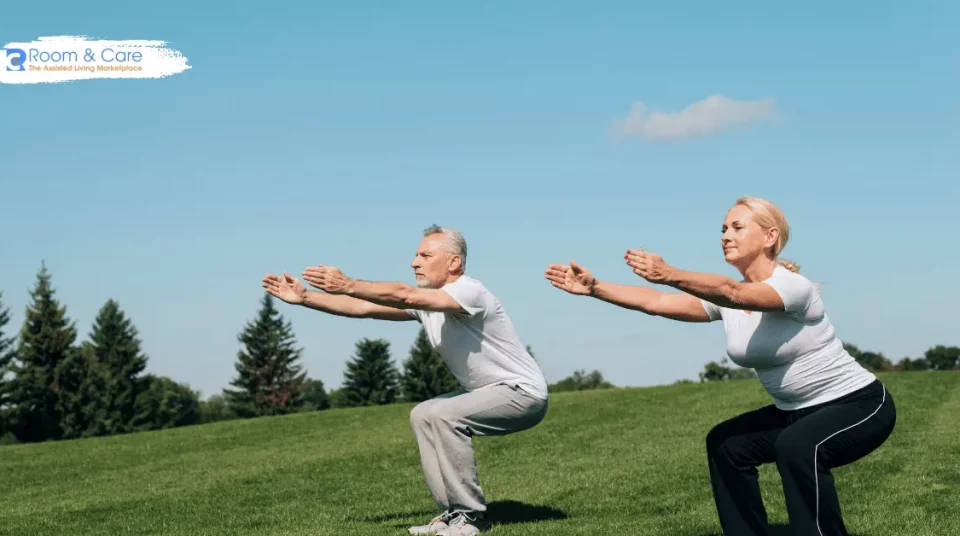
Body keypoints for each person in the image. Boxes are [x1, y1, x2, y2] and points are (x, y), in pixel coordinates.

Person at [544, 196, 896, 536]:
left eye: (738, 227)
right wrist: (595, 288)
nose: (726, 235)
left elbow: (733, 293)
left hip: (858, 404)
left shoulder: (794, 288)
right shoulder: (726, 299)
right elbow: (658, 301)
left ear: (770, 236)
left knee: (798, 446)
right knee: (727, 444)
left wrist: (669, 272)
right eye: (723, 228)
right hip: (794, 412)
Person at [263, 225, 549, 536]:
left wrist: (347, 283)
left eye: (425, 255)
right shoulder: (427, 305)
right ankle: (452, 514)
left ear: (453, 263)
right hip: (486, 392)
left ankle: (473, 518)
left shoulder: (470, 291)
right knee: (423, 414)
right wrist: (305, 297)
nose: (415, 262)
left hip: (522, 393)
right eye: (415, 255)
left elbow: (402, 293)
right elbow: (363, 307)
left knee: (443, 414)